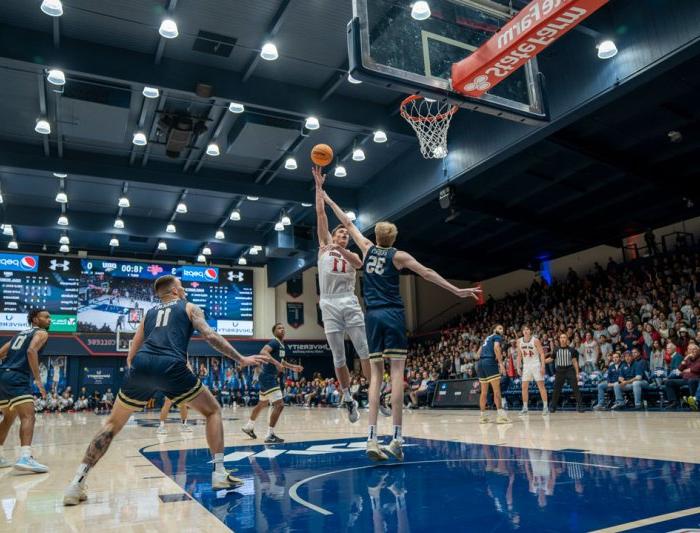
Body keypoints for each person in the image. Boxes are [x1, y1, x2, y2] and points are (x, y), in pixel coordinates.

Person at [63, 275, 268, 505]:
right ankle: (219, 473)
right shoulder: (189, 307)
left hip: (141, 366)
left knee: (111, 424)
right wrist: (240, 358)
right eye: (182, 288)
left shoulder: (148, 314)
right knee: (213, 411)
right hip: (171, 366)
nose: (185, 291)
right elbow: (209, 335)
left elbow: (131, 353)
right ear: (174, 291)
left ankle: (76, 483)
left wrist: (141, 375)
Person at [321, 184, 479, 462]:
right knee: (395, 377)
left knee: (373, 379)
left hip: (371, 317)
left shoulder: (367, 249)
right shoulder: (398, 256)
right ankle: (396, 438)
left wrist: (327, 197)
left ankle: (370, 437)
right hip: (392, 315)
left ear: (376, 236)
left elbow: (346, 222)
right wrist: (456, 290)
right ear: (393, 238)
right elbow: (427, 273)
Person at [313, 165, 371, 423]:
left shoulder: (352, 254)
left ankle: (375, 393)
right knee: (338, 355)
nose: (344, 235)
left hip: (349, 301)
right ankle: (347, 397)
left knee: (364, 349)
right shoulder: (324, 247)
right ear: (332, 235)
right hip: (328, 303)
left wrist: (342, 249)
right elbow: (320, 213)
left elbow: (359, 264)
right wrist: (318, 188)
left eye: (346, 234)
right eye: (340, 233)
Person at [0, 309, 51, 473]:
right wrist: (38, 379)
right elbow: (31, 351)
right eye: (46, 317)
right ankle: (25, 457)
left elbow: (0, 353)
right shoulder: (41, 333)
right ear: (36, 320)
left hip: (3, 376)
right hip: (18, 378)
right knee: (28, 416)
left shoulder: (18, 334)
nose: (50, 320)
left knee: (8, 418)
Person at [241, 323, 303, 444]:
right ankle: (270, 435)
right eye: (279, 328)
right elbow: (263, 352)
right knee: (279, 405)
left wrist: (293, 367)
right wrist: (276, 363)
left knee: (262, 403)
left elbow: (282, 362)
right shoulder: (274, 342)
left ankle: (249, 426)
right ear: (274, 332)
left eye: (283, 328)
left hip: (266, 377)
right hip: (268, 377)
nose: (282, 329)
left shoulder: (281, 345)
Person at [476, 325, 510, 424]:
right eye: (499, 328)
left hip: (480, 363)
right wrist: (500, 363)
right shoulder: (497, 336)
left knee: (484, 392)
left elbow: (477, 354)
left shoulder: (487, 338)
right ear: (495, 330)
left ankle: (483, 417)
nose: (501, 330)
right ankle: (501, 417)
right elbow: (496, 348)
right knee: (496, 390)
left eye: (502, 328)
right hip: (489, 362)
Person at [516, 325, 548, 416]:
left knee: (541, 386)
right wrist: (518, 367)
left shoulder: (535, 340)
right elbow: (519, 355)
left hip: (536, 364)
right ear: (522, 332)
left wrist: (543, 366)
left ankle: (545, 407)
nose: (526, 331)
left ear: (530, 331)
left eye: (527, 329)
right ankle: (525, 408)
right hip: (526, 366)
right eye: (524, 329)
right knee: (524, 387)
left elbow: (542, 353)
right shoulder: (519, 341)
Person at [549, 333, 584, 413]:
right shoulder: (556, 349)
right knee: (556, 389)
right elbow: (551, 359)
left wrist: (577, 373)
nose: (562, 339)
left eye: (564, 337)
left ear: (567, 339)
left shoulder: (572, 350)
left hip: (569, 369)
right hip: (560, 370)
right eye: (561, 337)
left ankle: (581, 406)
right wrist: (542, 361)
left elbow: (575, 362)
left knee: (575, 388)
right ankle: (553, 407)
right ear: (559, 339)